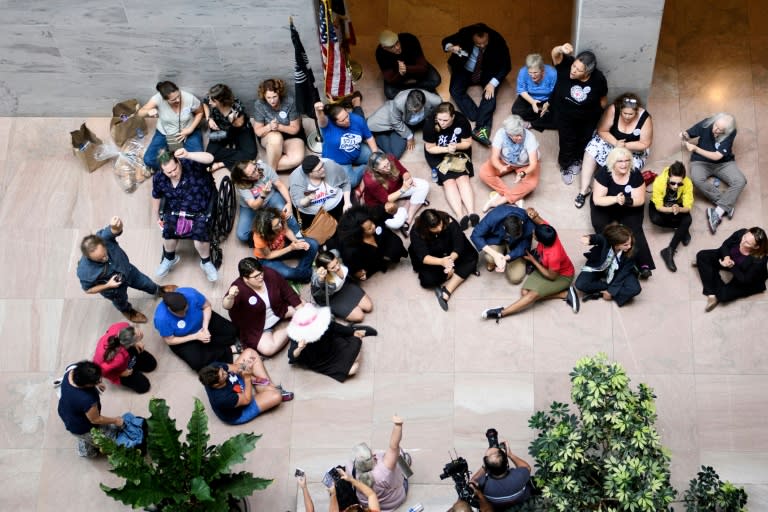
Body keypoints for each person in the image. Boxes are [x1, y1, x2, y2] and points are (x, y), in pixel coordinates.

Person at [482, 209, 579, 321]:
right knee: (525, 293)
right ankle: (564, 294)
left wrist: (533, 261)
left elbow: (552, 276)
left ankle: (502, 312)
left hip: (562, 276)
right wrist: (532, 212)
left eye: (534, 233)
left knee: (530, 296)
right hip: (545, 266)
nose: (532, 232)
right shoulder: (548, 231)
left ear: (539, 240)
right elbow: (537, 218)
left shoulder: (553, 256)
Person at [77, 216, 176, 323]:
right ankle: (128, 311)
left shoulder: (103, 238)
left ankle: (159, 291)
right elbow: (88, 290)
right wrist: (108, 285)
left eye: (104, 254)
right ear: (88, 257)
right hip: (113, 289)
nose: (105, 258)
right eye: (99, 259)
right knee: (121, 302)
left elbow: (115, 230)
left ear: (102, 243)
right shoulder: (84, 271)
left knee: (146, 283)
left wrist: (117, 225)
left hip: (128, 270)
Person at [151, 148, 220, 282]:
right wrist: (156, 217)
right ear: (162, 171)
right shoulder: (159, 178)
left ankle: (205, 262)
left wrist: (189, 154)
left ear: (178, 162)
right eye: (168, 172)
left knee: (200, 236)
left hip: (199, 207)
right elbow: (156, 196)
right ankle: (170, 258)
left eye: (175, 169)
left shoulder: (190, 164)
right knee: (168, 230)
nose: (173, 173)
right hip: (176, 208)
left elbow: (210, 158)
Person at [574, 93, 653, 208]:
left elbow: (645, 143)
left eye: (631, 114)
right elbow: (602, 130)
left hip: (632, 149)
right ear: (620, 109)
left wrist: (625, 146)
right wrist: (616, 143)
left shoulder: (645, 118)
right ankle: (583, 190)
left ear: (636, 112)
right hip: (611, 142)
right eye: (624, 113)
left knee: (628, 168)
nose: (627, 116)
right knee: (591, 150)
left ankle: (612, 193)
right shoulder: (613, 110)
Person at [441, 23, 511, 146]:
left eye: (485, 43)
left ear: (488, 36)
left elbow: (506, 66)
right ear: (472, 38)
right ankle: (479, 116)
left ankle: (480, 130)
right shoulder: (464, 34)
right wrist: (451, 47)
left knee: (490, 94)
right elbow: (446, 42)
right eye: (478, 44)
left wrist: (492, 83)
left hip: (487, 71)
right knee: (455, 90)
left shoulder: (498, 40)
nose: (482, 46)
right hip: (464, 69)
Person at [590, 147, 655, 278]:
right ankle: (611, 260)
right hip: (606, 204)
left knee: (635, 230)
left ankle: (644, 265)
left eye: (627, 160)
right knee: (602, 229)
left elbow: (640, 200)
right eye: (620, 161)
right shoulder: (604, 173)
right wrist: (615, 199)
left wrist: (626, 200)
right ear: (613, 162)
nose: (624, 164)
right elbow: (598, 200)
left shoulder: (635, 174)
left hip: (628, 205)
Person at [549, 43, 608, 184]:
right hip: (565, 114)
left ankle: (577, 159)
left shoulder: (598, 79)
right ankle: (565, 166)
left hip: (588, 117)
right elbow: (554, 55)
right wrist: (560, 49)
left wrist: (598, 114)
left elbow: (603, 98)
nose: (573, 70)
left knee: (583, 139)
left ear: (587, 73)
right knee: (566, 141)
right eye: (574, 66)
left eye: (578, 70)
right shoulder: (566, 65)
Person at [681, 113, 747, 234]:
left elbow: (717, 157)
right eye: (715, 125)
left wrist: (695, 149)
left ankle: (717, 212)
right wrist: (684, 135)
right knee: (696, 179)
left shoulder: (731, 132)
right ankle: (725, 205)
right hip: (700, 161)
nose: (715, 130)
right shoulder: (707, 123)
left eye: (720, 130)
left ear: (727, 131)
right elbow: (688, 133)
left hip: (723, 163)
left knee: (741, 181)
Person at [224, 257, 303, 356]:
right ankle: (292, 328)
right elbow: (227, 306)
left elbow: (287, 291)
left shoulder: (269, 273)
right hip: (258, 326)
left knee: (305, 306)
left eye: (261, 273)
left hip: (279, 309)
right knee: (268, 349)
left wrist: (301, 310)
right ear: (245, 278)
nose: (261, 277)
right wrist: (230, 296)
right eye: (256, 276)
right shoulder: (238, 288)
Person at [198, 347, 291, 425]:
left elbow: (235, 368)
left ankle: (269, 388)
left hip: (236, 384)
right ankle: (269, 390)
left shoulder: (215, 367)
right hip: (240, 412)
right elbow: (247, 400)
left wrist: (245, 366)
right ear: (216, 384)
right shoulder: (222, 398)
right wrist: (247, 378)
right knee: (277, 396)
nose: (225, 373)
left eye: (222, 370)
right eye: (223, 375)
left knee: (250, 353)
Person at [408, 209, 479, 311]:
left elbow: (458, 243)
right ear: (426, 228)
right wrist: (442, 262)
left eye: (440, 224)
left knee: (472, 257)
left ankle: (447, 290)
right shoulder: (416, 231)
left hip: (450, 251)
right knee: (427, 280)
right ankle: (457, 272)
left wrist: (450, 260)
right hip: (434, 257)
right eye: (435, 228)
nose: (440, 228)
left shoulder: (447, 220)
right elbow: (424, 257)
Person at [287, 303, 376, 382]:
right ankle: (349, 337)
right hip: (319, 361)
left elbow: (335, 327)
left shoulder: (320, 322)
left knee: (356, 350)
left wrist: (352, 332)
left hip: (331, 348)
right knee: (353, 369)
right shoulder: (297, 333)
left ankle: (352, 331)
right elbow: (291, 356)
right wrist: (299, 348)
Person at [423, 102, 478, 229]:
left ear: (453, 117)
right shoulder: (430, 124)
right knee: (449, 181)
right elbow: (430, 148)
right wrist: (446, 149)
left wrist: (456, 147)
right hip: (438, 153)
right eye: (439, 119)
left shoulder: (462, 121)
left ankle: (472, 212)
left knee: (463, 178)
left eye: (445, 120)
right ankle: (460, 216)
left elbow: (467, 142)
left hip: (458, 151)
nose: (441, 123)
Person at [153, 288, 237, 371]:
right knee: (197, 363)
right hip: (185, 338)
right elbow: (170, 340)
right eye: (179, 314)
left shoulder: (191, 294)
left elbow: (207, 306)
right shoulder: (161, 318)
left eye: (185, 311)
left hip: (203, 323)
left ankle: (209, 349)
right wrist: (196, 336)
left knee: (232, 331)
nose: (183, 315)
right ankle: (227, 351)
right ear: (169, 309)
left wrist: (205, 327)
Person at [57, 360, 124, 458]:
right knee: (107, 441)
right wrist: (115, 420)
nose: (100, 381)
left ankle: (83, 439)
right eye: (97, 381)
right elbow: (95, 419)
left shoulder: (72, 371)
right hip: (80, 426)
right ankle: (85, 451)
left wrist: (96, 383)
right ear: (86, 384)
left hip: (65, 410)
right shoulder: (86, 399)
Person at [695, 227, 768, 312]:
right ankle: (711, 293)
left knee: (722, 295)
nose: (742, 242)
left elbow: (744, 279)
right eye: (744, 237)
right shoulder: (741, 233)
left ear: (756, 247)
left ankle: (710, 271)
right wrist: (726, 258)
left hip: (745, 276)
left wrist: (731, 267)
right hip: (730, 259)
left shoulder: (759, 261)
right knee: (702, 256)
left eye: (747, 243)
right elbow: (725, 245)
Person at [358, 151, 430, 236]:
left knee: (424, 185)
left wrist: (407, 179)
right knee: (395, 224)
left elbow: (404, 172)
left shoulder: (390, 158)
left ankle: (409, 218)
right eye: (384, 167)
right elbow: (386, 199)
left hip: (398, 188)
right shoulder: (370, 181)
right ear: (376, 169)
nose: (388, 168)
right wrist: (403, 189)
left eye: (388, 164)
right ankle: (410, 202)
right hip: (381, 202)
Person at [478, 114, 541, 212]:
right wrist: (500, 167)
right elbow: (494, 157)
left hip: (525, 165)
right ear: (508, 134)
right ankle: (515, 197)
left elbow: (533, 163)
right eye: (516, 136)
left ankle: (499, 201)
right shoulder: (501, 134)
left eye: (520, 134)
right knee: (483, 172)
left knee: (532, 184)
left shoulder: (530, 137)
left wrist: (523, 173)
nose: (519, 137)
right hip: (505, 162)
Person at [138, 80, 204, 171]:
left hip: (189, 130)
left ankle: (178, 167)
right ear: (164, 99)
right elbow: (140, 113)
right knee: (149, 160)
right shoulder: (157, 99)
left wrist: (190, 129)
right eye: (173, 100)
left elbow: (200, 112)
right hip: (165, 132)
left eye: (178, 96)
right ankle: (173, 168)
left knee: (198, 160)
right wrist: (148, 112)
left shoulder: (189, 98)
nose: (178, 100)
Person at [351, 415, 410, 511]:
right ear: (373, 457)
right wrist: (398, 425)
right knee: (398, 456)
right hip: (393, 502)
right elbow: (394, 446)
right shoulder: (384, 470)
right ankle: (407, 464)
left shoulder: (351, 469)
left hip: (368, 506)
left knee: (392, 458)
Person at [574, 224, 641, 307]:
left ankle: (601, 293)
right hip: (599, 266)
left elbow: (623, 273)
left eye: (630, 243)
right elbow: (597, 238)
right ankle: (609, 288)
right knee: (580, 284)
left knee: (635, 289)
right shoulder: (606, 240)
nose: (629, 246)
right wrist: (588, 238)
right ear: (616, 244)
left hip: (619, 271)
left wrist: (611, 292)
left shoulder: (632, 251)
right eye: (625, 245)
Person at [315, 101, 379, 187]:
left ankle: (371, 164)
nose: (347, 120)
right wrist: (318, 111)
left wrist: (375, 154)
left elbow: (369, 137)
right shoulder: (327, 125)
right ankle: (365, 168)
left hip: (357, 151)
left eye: (347, 116)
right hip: (339, 161)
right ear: (334, 122)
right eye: (342, 120)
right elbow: (321, 119)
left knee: (379, 158)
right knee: (350, 183)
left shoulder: (357, 119)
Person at [231, 158, 294, 243]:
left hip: (271, 197)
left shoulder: (263, 167)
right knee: (242, 235)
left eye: (255, 168)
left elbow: (280, 185)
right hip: (251, 207)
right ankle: (269, 237)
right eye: (252, 174)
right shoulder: (241, 185)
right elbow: (254, 205)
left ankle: (292, 234)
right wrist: (263, 195)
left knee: (286, 213)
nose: (257, 173)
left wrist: (289, 203)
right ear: (244, 178)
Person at [338, 205, 408, 281]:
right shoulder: (350, 249)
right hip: (370, 261)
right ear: (359, 233)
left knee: (396, 247)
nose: (374, 226)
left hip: (385, 242)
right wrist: (357, 272)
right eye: (369, 228)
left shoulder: (374, 218)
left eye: (372, 223)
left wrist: (392, 208)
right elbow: (351, 264)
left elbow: (386, 212)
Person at [366, 88, 443, 158]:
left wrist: (436, 122)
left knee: (395, 154)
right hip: (400, 122)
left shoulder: (436, 101)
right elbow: (396, 122)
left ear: (424, 104)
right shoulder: (398, 102)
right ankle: (377, 136)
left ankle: (384, 136)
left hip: (417, 123)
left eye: (416, 111)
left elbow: (442, 112)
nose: (413, 112)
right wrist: (409, 136)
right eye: (410, 110)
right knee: (369, 125)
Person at [470, 204, 535, 285]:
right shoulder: (495, 215)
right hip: (496, 239)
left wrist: (507, 257)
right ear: (503, 227)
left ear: (521, 222)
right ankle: (494, 260)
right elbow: (476, 235)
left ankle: (504, 255)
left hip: (515, 245)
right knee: (490, 257)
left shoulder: (528, 223)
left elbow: (523, 245)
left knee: (515, 278)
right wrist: (495, 255)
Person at [251, 207, 319, 283]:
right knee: (287, 273)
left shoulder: (279, 215)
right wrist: (291, 248)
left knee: (313, 244)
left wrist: (296, 241)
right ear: (267, 230)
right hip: (267, 258)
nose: (280, 225)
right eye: (276, 225)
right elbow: (268, 255)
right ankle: (308, 274)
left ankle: (300, 274)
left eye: (279, 222)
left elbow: (286, 230)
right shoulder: (259, 237)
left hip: (283, 245)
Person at [251, 78, 305, 172]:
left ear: (279, 93)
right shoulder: (259, 104)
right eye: (268, 98)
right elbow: (258, 132)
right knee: (276, 137)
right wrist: (269, 127)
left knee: (297, 158)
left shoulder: (290, 102)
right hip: (270, 135)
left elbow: (295, 129)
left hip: (290, 135)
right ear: (264, 96)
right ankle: (272, 177)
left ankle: (265, 168)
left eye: (274, 96)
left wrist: (279, 126)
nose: (272, 101)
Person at [201, 83, 258, 171]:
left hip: (240, 130)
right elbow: (205, 103)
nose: (210, 102)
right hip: (220, 129)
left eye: (213, 101)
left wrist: (232, 119)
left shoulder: (236, 105)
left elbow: (239, 124)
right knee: (209, 156)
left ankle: (222, 163)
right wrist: (209, 119)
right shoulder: (211, 97)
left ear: (220, 101)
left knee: (251, 154)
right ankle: (237, 159)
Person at [650, 162, 694, 272]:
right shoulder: (659, 182)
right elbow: (659, 207)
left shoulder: (687, 183)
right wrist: (671, 210)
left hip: (677, 206)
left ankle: (669, 250)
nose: (675, 186)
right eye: (673, 183)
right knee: (655, 219)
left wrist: (679, 209)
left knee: (688, 219)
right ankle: (682, 229)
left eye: (679, 184)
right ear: (669, 177)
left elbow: (688, 207)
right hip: (661, 206)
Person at [376, 30, 442, 99]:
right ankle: (420, 89)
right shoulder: (380, 53)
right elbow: (390, 79)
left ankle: (408, 92)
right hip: (398, 75)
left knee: (436, 80)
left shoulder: (409, 39)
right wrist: (400, 73)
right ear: (384, 48)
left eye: (397, 42)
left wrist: (407, 68)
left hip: (415, 69)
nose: (397, 47)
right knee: (389, 93)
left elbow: (423, 67)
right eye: (392, 47)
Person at [93, 322, 157, 394]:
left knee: (151, 364)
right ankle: (129, 371)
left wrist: (137, 342)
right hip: (118, 367)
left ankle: (133, 366)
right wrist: (120, 374)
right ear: (130, 344)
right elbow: (101, 372)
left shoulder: (122, 326)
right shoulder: (117, 359)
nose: (141, 333)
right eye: (139, 336)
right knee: (144, 387)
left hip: (125, 352)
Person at [290, 155, 352, 228]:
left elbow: (345, 182)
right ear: (310, 173)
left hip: (334, 205)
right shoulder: (297, 179)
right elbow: (299, 203)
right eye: (319, 170)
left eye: (322, 165)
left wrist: (347, 202)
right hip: (311, 213)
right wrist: (308, 198)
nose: (323, 169)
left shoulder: (331, 166)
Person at [311, 250, 373, 323]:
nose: (337, 267)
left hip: (345, 286)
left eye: (337, 262)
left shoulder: (336, 255)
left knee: (369, 307)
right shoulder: (318, 277)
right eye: (333, 267)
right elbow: (317, 292)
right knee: (360, 316)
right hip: (332, 297)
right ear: (325, 269)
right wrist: (321, 279)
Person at [471, 441, 532, 509]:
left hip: (497, 507)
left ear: (487, 469)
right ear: (506, 462)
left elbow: (472, 481)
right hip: (521, 502)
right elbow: (527, 468)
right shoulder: (520, 475)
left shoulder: (482, 482)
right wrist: (510, 455)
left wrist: (485, 466)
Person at [511, 53, 557, 127]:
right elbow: (521, 90)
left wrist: (548, 103)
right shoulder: (522, 72)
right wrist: (532, 102)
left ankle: (534, 123)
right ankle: (544, 118)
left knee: (562, 115)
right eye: (530, 72)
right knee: (515, 111)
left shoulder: (552, 73)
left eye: (535, 72)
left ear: (542, 70)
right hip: (529, 96)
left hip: (548, 98)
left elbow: (555, 92)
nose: (532, 76)